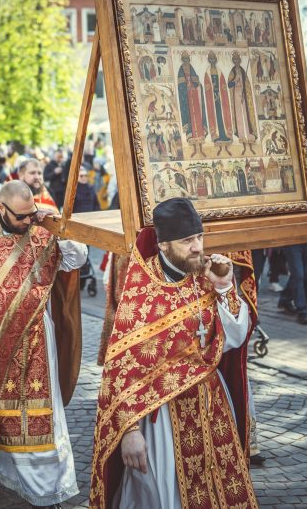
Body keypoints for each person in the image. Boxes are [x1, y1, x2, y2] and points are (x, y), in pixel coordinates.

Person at [89, 197, 258, 508]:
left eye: (198, 237)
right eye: (187, 240)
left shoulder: (208, 276)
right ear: (164, 245)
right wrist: (129, 431)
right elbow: (120, 370)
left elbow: (234, 340)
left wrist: (224, 288)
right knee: (163, 495)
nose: (197, 247)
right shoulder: (143, 289)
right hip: (159, 418)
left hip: (211, 408)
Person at [0, 181, 86, 507]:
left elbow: (76, 259)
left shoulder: (40, 235)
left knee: (42, 417)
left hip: (38, 340)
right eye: (22, 217)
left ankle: (47, 487)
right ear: (2, 209)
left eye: (32, 214)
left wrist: (57, 226)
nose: (28, 222)